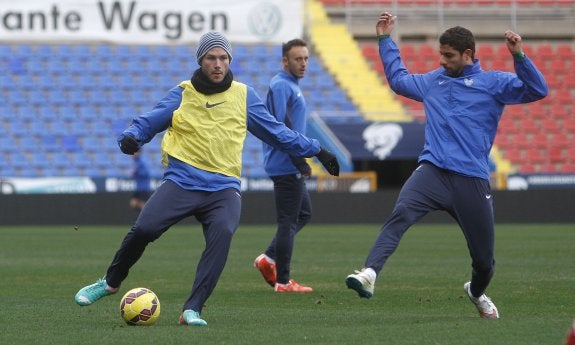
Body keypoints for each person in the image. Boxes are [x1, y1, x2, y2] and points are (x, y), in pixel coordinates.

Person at [74, 31, 340, 327]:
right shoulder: (183, 92)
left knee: (222, 235)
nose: (218, 64)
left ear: (229, 61)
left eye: (223, 58)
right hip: (181, 182)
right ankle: (110, 282)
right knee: (144, 228)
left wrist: (318, 150)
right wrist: (131, 137)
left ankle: (192, 309)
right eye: (211, 58)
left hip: (223, 188)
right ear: (201, 60)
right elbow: (150, 120)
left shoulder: (244, 95)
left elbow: (278, 133)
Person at [345, 12, 547, 319]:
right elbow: (399, 81)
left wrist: (518, 55)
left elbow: (538, 89)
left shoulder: (493, 83)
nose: (441, 60)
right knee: (400, 214)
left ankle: (476, 292)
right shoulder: (433, 82)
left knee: (484, 262)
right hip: (433, 172)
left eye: (448, 55)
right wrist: (385, 40)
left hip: (472, 180)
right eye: (440, 54)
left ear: (468, 55)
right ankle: (369, 273)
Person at [253, 39, 315, 293]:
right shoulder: (280, 85)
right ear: (285, 61)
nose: (303, 64)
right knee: (288, 221)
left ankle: (268, 258)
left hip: (289, 162)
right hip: (285, 163)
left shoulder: (291, 85)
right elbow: (280, 126)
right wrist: (298, 158)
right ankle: (283, 281)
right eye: (297, 59)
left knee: (303, 214)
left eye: (306, 59)